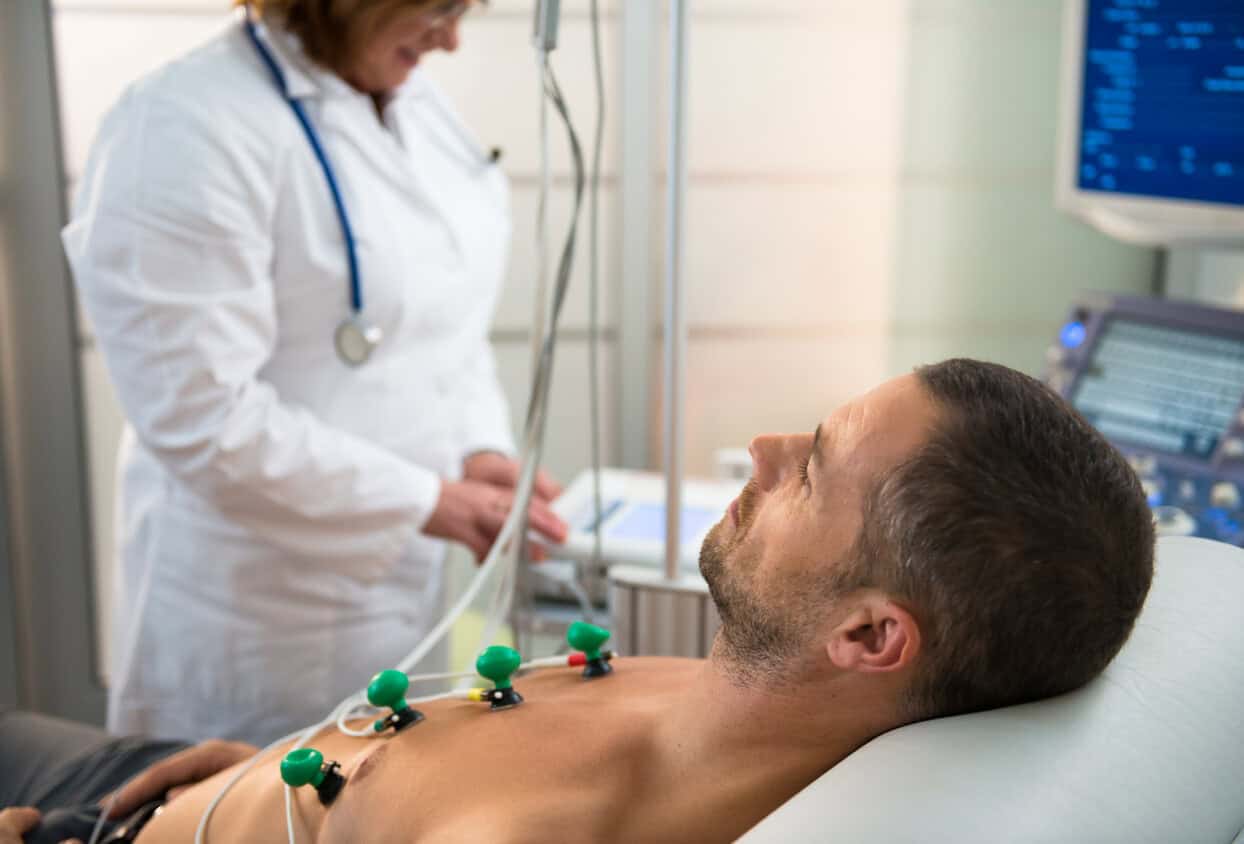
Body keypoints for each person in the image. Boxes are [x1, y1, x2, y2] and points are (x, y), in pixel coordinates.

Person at [2, 360, 1155, 843]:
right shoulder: (732, 689)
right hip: (202, 774)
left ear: (868, 634)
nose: (759, 445)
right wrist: (290, 771)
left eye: (808, 467)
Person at [61, 0, 568, 747]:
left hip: (401, 599)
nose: (454, 40)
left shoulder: (414, 101)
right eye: (437, 9)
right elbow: (201, 417)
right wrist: (432, 502)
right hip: (257, 620)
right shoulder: (181, 126)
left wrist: (476, 449)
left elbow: (440, 327)